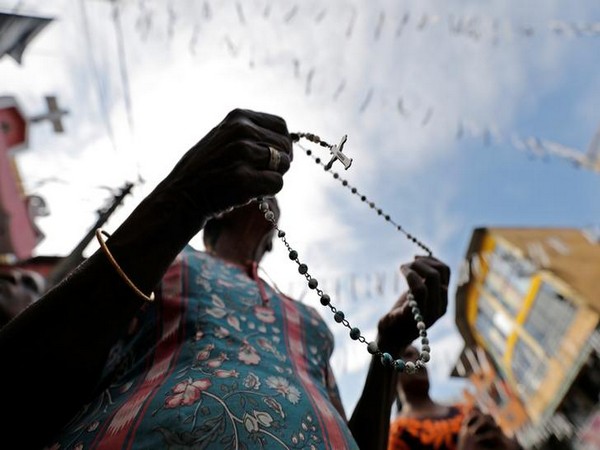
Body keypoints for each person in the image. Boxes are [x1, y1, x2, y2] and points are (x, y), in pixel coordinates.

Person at [0, 109, 450, 449]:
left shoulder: (309, 319)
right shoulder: (161, 256)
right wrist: (183, 198)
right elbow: (18, 382)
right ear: (215, 212)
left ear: (275, 236)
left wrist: (387, 350)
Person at [388, 345, 522, 450]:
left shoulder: (466, 409)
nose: (417, 359)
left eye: (420, 355)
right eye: (407, 355)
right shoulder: (397, 434)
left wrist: (503, 440)